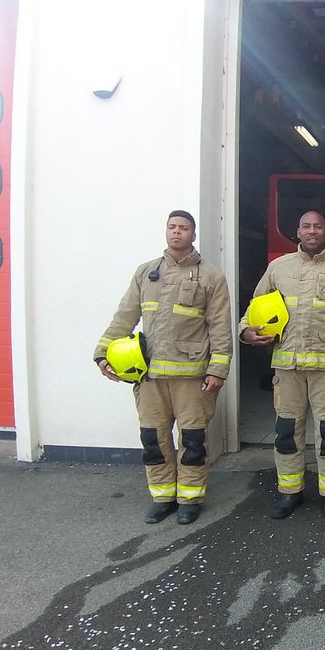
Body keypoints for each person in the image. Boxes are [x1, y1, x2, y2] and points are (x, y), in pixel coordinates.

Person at [94, 210, 233, 525]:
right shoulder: (146, 273)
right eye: (172, 227)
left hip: (192, 377)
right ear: (166, 232)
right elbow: (125, 315)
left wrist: (217, 370)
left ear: (193, 235)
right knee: (154, 440)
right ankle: (163, 497)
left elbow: (220, 328)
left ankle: (190, 499)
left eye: (183, 228)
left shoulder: (211, 277)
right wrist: (102, 352)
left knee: (193, 442)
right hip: (149, 377)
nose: (177, 232)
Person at [240, 210, 325, 521]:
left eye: (318, 226)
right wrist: (245, 332)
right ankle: (289, 492)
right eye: (306, 226)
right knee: (286, 433)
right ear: (298, 231)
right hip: (287, 368)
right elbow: (253, 310)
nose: (312, 231)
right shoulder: (277, 268)